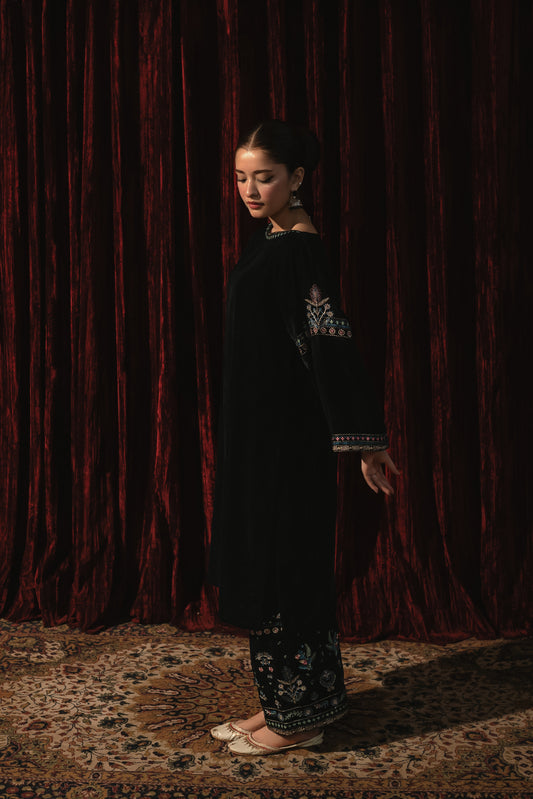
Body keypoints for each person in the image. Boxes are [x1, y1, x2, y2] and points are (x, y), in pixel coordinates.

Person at [207, 119, 399, 756]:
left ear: (296, 178)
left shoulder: (298, 251)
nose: (249, 189)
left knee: (286, 574)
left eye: (264, 177)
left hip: (286, 448)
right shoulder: (272, 239)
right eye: (241, 177)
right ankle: (284, 704)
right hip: (260, 440)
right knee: (271, 572)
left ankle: (299, 721)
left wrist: (366, 441)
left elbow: (330, 347)